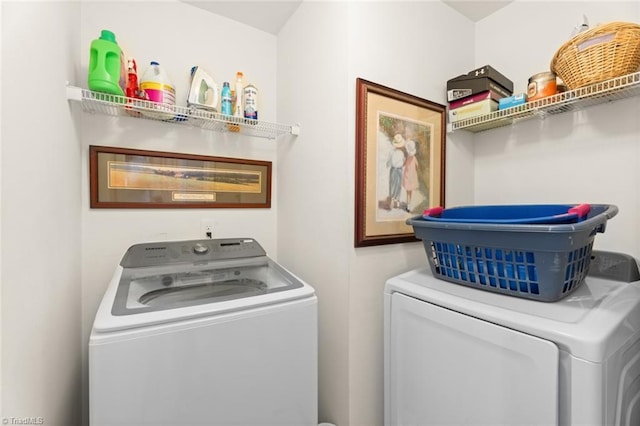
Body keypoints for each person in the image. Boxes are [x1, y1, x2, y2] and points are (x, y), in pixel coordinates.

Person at [387, 133, 406, 209]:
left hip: (393, 169)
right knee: (398, 185)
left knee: (392, 184)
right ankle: (397, 201)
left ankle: (392, 200)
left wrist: (389, 164)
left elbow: (388, 162)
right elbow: (403, 162)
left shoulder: (391, 152)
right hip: (399, 170)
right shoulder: (401, 153)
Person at [403, 135, 419, 212]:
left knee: (407, 192)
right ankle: (409, 205)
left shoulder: (407, 158)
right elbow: (417, 165)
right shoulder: (414, 158)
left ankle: (408, 205)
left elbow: (403, 164)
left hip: (407, 176)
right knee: (411, 192)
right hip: (412, 177)